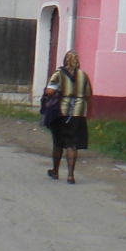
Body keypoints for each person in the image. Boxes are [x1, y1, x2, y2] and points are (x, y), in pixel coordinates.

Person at [41, 50, 91, 183]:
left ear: (65, 60)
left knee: (58, 143)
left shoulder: (58, 74)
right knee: (72, 144)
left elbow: (50, 91)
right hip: (78, 113)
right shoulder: (83, 75)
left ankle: (55, 171)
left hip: (61, 112)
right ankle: (70, 175)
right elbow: (88, 94)